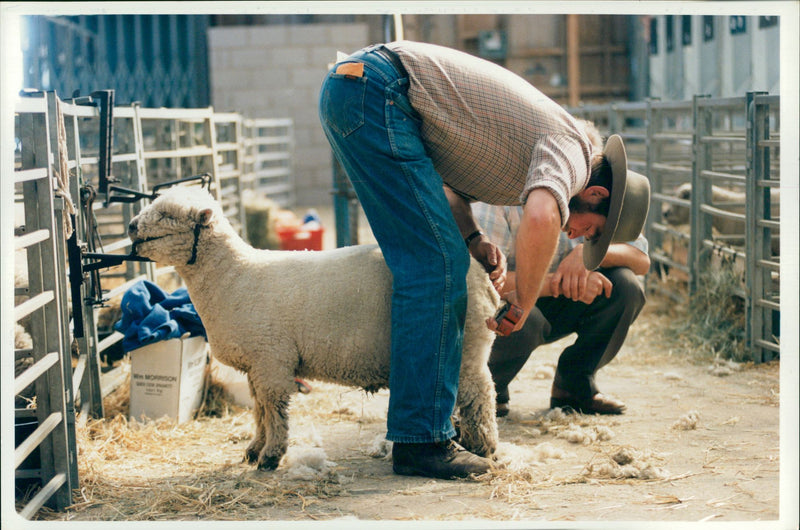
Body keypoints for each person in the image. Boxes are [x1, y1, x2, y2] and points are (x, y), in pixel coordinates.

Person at [318, 41, 650, 480]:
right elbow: (542, 213)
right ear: (596, 195)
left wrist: (472, 237)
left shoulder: (521, 154)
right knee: (436, 266)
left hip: (358, 87)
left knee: (442, 259)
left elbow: (447, 189)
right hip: (379, 89)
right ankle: (422, 442)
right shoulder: (572, 150)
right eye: (591, 230)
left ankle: (423, 432)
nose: (578, 236)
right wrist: (528, 299)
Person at [472, 201, 650, 417]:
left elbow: (641, 259)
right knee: (522, 317)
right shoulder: (501, 200)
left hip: (558, 301)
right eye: (593, 230)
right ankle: (488, 387)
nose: (589, 236)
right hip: (510, 298)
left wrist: (585, 255)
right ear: (594, 194)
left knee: (626, 286)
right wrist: (564, 282)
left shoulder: (605, 201)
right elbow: (482, 280)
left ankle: (574, 386)